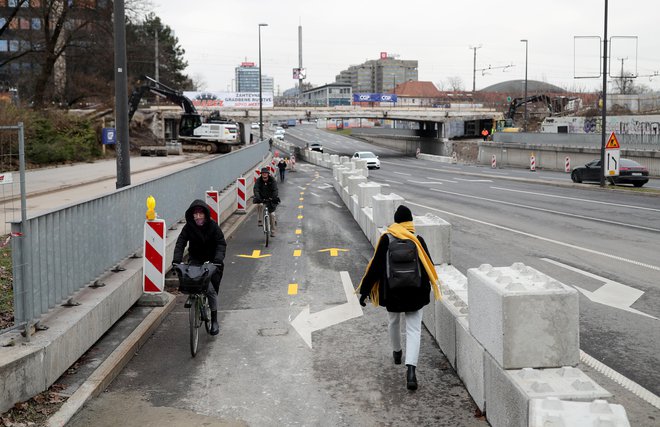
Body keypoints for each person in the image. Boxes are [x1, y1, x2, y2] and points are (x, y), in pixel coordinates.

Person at [357, 205, 441, 391]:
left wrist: (365, 291)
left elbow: (376, 267)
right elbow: (428, 268)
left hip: (393, 293)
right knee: (413, 330)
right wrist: (426, 290)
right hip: (414, 293)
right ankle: (411, 370)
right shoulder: (417, 240)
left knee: (393, 322)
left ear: (396, 221)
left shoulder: (386, 239)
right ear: (410, 222)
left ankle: (397, 352)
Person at [173, 200, 227, 336]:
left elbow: (221, 243)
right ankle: (196, 303)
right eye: (195, 214)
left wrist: (218, 260)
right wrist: (176, 261)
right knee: (192, 282)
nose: (197, 217)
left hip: (212, 262)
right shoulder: (188, 227)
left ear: (205, 214)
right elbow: (180, 243)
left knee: (210, 290)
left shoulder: (213, 227)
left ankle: (214, 320)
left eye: (200, 214)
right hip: (195, 261)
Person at [253, 166, 279, 237]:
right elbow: (256, 189)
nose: (264, 174)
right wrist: (258, 197)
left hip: (271, 199)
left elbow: (275, 190)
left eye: (265, 173)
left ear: (268, 174)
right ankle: (260, 220)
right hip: (261, 198)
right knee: (260, 205)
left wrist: (273, 197)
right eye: (263, 173)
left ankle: (273, 231)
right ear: (261, 174)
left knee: (272, 215)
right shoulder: (258, 181)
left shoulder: (272, 180)